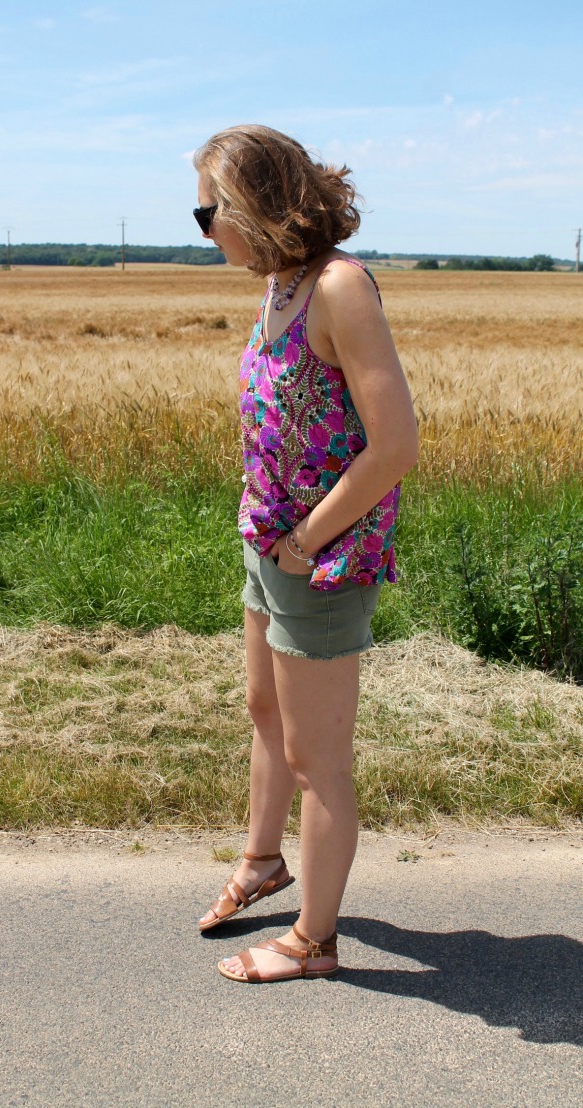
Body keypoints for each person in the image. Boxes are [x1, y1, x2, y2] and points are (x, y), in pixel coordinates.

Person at [192, 125, 419, 984]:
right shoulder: (280, 283)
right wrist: (273, 532)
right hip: (273, 538)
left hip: (318, 555)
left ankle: (314, 942)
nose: (205, 229)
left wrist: (305, 539)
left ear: (250, 207)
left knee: (316, 760)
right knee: (266, 709)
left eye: (207, 210)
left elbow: (395, 443)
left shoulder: (339, 287)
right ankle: (263, 863)